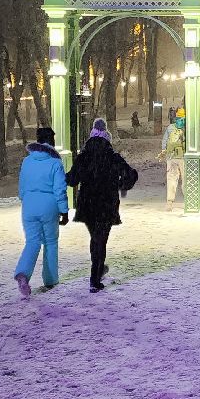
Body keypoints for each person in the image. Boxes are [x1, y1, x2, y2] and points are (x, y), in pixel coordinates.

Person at [68, 118, 138, 292]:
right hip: (106, 204)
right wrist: (122, 185)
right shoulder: (112, 157)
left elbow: (71, 179)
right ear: (107, 137)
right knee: (101, 239)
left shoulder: (84, 157)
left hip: (88, 204)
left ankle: (97, 270)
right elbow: (131, 175)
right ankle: (96, 275)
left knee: (95, 237)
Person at [13, 127, 70, 298]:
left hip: (29, 206)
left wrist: (27, 199)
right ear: (51, 141)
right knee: (51, 242)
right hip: (48, 206)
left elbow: (22, 187)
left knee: (32, 242)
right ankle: (51, 279)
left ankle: (23, 273)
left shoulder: (27, 161)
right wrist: (64, 211)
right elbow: (59, 189)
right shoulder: (55, 163)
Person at [158, 113, 186, 208]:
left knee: (171, 178)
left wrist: (163, 151)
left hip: (171, 157)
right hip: (183, 157)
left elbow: (165, 141)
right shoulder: (186, 128)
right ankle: (189, 200)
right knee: (185, 179)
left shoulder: (170, 127)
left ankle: (169, 202)